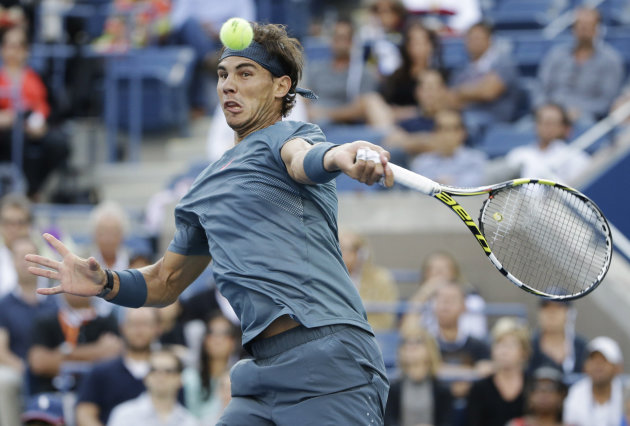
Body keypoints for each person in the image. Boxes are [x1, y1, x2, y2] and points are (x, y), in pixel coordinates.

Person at [27, 22, 394, 424]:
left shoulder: (288, 137)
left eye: (245, 73)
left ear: (280, 86)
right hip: (259, 373)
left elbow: (305, 158)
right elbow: (165, 282)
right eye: (222, 75)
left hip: (329, 362)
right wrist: (106, 284)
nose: (227, 86)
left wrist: (342, 155)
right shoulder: (203, 189)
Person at [0, 26, 70, 199]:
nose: (14, 51)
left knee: (59, 144)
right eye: (10, 45)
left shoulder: (37, 76)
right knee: (16, 140)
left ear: (26, 50)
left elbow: (52, 107)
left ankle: (34, 190)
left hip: (34, 128)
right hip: (6, 132)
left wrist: (43, 123)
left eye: (20, 46)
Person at [0, 236, 58, 426]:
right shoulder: (4, 304)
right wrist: (27, 369)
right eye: (20, 257)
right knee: (4, 381)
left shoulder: (55, 299)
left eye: (30, 257)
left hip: (54, 367)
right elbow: (2, 351)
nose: (25, 263)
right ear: (12, 261)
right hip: (19, 369)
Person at [75, 307, 162, 426]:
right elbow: (84, 414)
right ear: (122, 327)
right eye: (133, 324)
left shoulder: (168, 371)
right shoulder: (100, 372)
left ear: (157, 328)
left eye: (145, 324)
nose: (139, 330)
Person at [535, 7, 624, 123]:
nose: (583, 29)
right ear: (573, 28)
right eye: (579, 25)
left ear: (597, 28)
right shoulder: (556, 55)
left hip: (586, 117)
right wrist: (546, 109)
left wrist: (579, 110)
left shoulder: (611, 60)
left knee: (584, 122)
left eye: (588, 25)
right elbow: (540, 88)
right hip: (551, 114)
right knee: (525, 127)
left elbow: (608, 101)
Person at [27, 292, 123, 394]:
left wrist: (63, 353)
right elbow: (40, 364)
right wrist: (98, 352)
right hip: (53, 395)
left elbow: (115, 358)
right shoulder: (45, 321)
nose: (77, 290)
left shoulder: (107, 321)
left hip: (99, 394)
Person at [305, 17, 393, 128]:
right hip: (314, 124)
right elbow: (304, 99)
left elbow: (363, 107)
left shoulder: (363, 72)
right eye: (335, 37)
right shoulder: (316, 69)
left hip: (347, 126)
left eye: (343, 38)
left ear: (351, 41)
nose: (339, 42)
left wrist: (325, 113)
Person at [449, 21, 520, 137]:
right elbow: (451, 97)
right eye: (470, 38)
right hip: (463, 116)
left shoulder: (503, 63)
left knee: (461, 124)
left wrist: (461, 92)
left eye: (478, 38)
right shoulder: (461, 69)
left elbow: (488, 92)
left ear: (489, 39)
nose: (473, 42)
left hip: (494, 121)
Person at [107, 348, 198, 426]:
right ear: (146, 377)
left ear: (180, 379)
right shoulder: (124, 415)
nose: (160, 376)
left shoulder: (190, 422)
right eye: (154, 370)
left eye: (168, 371)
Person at [466, 317, 530, 426]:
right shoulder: (479, 389)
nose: (504, 351)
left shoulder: (532, 386)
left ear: (523, 352)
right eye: (499, 344)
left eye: (511, 345)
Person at [504, 103, 591, 183]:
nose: (547, 127)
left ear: (564, 127)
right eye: (543, 122)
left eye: (552, 123)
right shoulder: (518, 154)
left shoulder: (576, 157)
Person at [384, 326, 452, 426]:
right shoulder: (392, 389)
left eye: (418, 341)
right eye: (407, 342)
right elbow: (389, 422)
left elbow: (446, 421)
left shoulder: (442, 390)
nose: (411, 346)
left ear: (430, 348)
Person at [182, 313, 240, 423]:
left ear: (233, 342)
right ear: (205, 340)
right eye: (212, 333)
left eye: (224, 334)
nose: (217, 340)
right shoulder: (189, 378)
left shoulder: (241, 379)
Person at [379, 20, 441, 121]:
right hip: (396, 125)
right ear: (407, 46)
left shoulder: (440, 74)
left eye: (423, 42)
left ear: (431, 45)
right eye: (414, 43)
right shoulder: (396, 77)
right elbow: (385, 107)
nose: (419, 48)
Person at [408, 108, 487, 187]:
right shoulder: (421, 162)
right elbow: (417, 191)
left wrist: (441, 185)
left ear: (463, 133)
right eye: (440, 128)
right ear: (434, 133)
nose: (446, 134)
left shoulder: (476, 159)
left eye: (452, 128)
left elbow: (473, 187)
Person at [339, 228, 399, 331]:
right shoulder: (328, 278)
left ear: (363, 253)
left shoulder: (381, 279)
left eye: (349, 249)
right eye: (339, 248)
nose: (342, 254)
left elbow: (386, 319)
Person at [563, 336, 624, 426]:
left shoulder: (626, 394)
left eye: (603, 361)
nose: (597, 366)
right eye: (593, 360)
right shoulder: (576, 393)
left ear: (617, 368)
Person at [528, 299, 587, 377]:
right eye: (546, 307)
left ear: (569, 313)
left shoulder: (582, 347)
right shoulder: (528, 346)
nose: (551, 312)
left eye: (558, 307)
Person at [0, 193, 32, 296]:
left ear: (29, 225)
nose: (13, 229)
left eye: (20, 223)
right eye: (7, 222)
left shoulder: (43, 261)